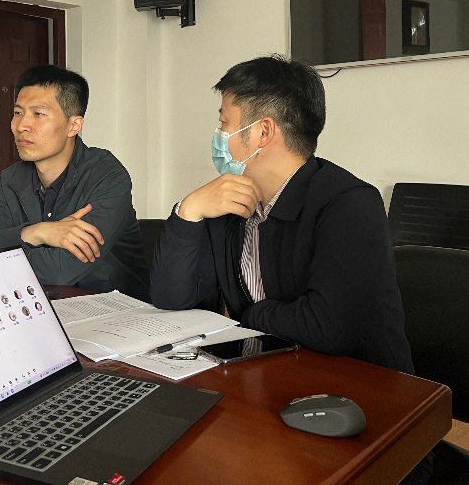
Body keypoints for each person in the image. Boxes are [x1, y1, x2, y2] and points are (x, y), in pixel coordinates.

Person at [150, 54, 430, 484]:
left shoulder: (349, 203)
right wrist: (187, 212)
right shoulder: (228, 205)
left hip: (366, 411)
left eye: (225, 124)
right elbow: (173, 299)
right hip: (271, 388)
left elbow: (327, 327)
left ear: (263, 132)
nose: (219, 137)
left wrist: (249, 316)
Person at [0, 65, 149, 299]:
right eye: (18, 113)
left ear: (74, 126)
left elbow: (62, 270)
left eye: (38, 114)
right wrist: (37, 232)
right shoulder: (12, 178)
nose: (21, 126)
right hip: (43, 303)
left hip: (116, 308)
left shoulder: (107, 176)